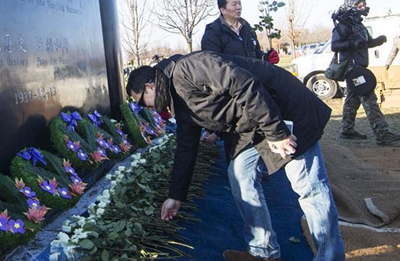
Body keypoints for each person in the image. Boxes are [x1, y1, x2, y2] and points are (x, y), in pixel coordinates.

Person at [126, 52, 345, 261]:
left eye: (144, 102)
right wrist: (176, 195)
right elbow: (186, 146)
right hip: (253, 125)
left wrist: (277, 133)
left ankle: (330, 256)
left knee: (309, 187)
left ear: (150, 86)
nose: (150, 108)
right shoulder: (176, 100)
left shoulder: (189, 68)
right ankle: (263, 250)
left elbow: (244, 83)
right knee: (240, 174)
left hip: (284, 110)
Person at [201, 0, 280, 148]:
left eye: (240, 3)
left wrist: (266, 58)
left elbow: (255, 55)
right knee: (237, 142)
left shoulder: (247, 28)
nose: (238, 7)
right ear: (223, 9)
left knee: (260, 137)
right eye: (234, 4)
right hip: (233, 95)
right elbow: (212, 67)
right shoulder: (213, 33)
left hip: (255, 89)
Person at [330, 0, 400, 145]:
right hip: (353, 69)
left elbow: (366, 43)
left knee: (352, 100)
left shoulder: (359, 25)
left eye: (364, 5)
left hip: (359, 67)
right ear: (351, 7)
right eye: (360, 5)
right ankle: (382, 133)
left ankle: (347, 130)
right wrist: (353, 43)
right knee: (369, 98)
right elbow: (335, 45)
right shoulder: (343, 26)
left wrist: (376, 41)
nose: (364, 7)